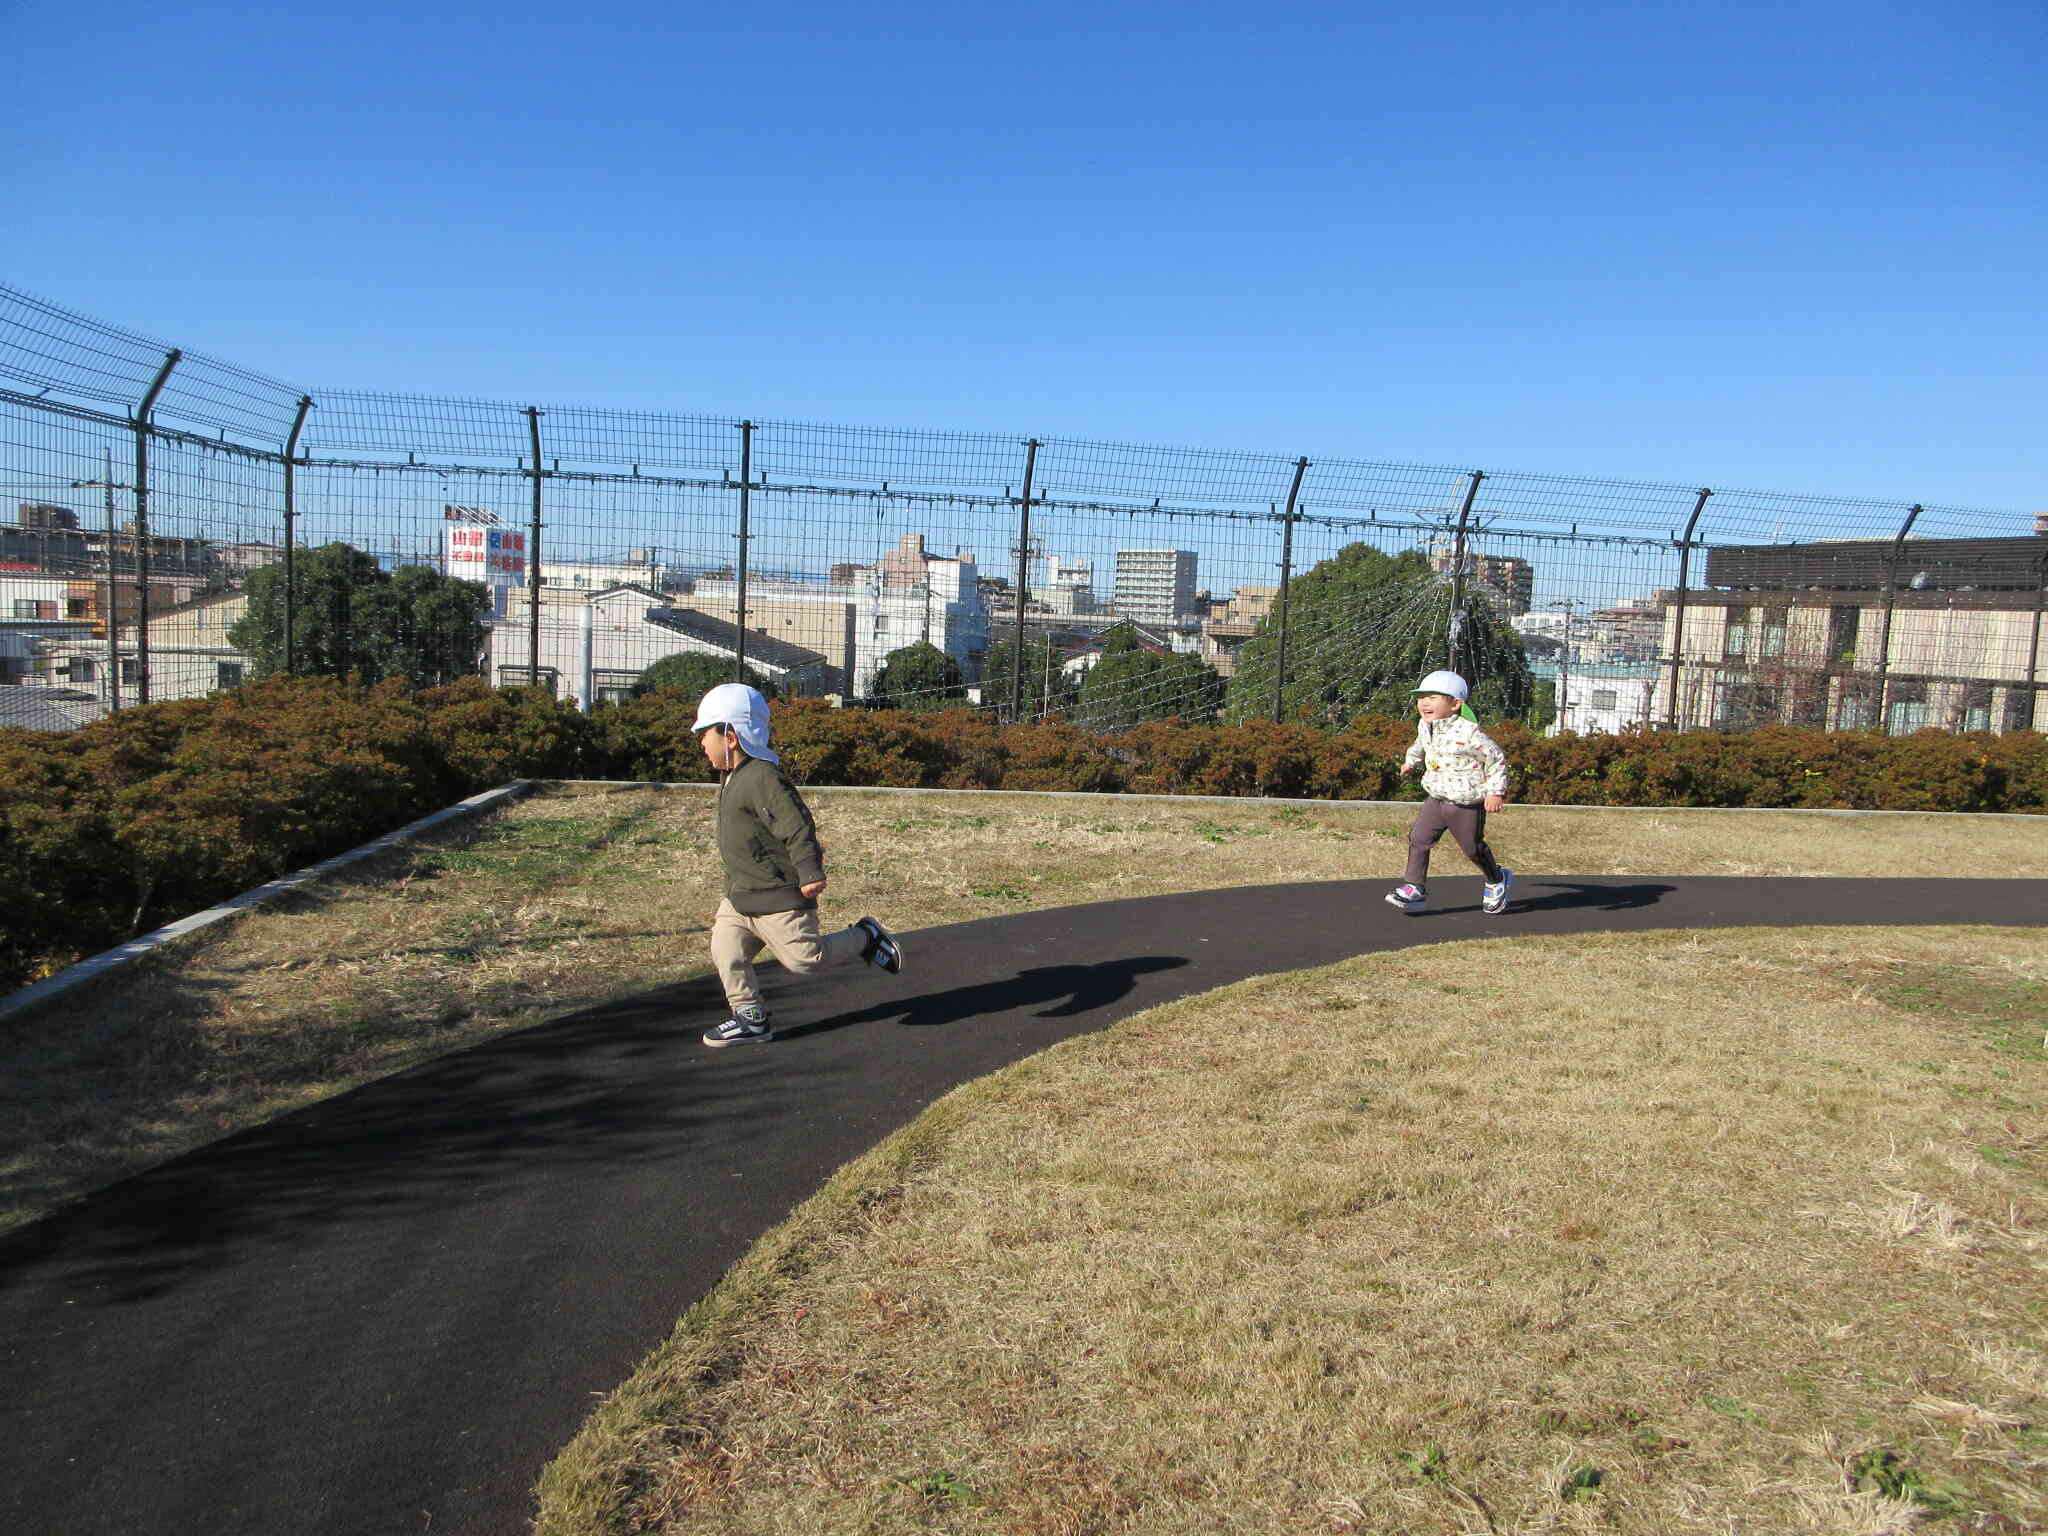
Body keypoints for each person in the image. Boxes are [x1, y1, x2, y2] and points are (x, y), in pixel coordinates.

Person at [691, 682, 903, 1046]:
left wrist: (809, 870)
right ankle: (751, 1017)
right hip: (741, 896)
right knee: (726, 951)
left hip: (777, 895)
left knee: (805, 959)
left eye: (705, 733)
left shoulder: (762, 778)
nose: (700, 743)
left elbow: (796, 824)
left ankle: (865, 937)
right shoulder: (734, 776)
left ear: (730, 736)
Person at [1385, 669, 1515, 916]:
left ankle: (1497, 878)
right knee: (1419, 838)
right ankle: (1414, 887)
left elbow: (1496, 759)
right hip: (1436, 797)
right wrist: (1411, 761)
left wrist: (1495, 792)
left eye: (1433, 697)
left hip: (1465, 802)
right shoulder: (1426, 725)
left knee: (1472, 848)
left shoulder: (1469, 733)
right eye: (1421, 697)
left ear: (1455, 704)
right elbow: (1420, 745)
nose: (1424, 703)